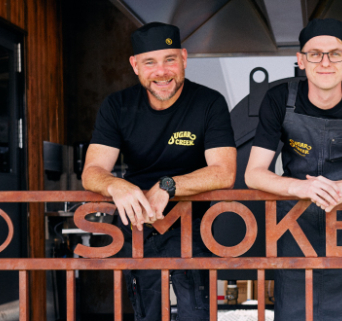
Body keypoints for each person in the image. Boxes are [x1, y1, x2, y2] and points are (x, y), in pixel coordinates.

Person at [82, 22, 236, 321]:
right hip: (139, 223)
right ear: (135, 65)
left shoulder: (209, 102)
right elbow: (92, 170)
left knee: (197, 312)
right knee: (146, 311)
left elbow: (224, 172)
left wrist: (168, 185)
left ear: (184, 58)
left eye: (170, 59)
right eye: (150, 62)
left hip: (194, 224)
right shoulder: (117, 106)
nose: (161, 71)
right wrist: (116, 185)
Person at [245, 18, 342, 321]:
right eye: (314, 54)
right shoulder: (279, 99)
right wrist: (300, 187)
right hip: (293, 227)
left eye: (335, 53)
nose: (325, 62)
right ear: (300, 60)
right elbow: (253, 173)